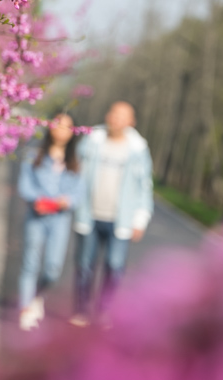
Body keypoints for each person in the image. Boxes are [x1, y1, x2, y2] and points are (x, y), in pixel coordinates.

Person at [71, 101, 153, 324]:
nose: (116, 118)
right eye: (113, 113)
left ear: (131, 122)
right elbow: (74, 168)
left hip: (121, 219)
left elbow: (144, 185)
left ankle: (104, 310)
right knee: (84, 265)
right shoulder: (92, 140)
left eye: (122, 116)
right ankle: (81, 310)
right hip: (89, 214)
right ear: (108, 116)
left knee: (114, 267)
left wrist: (140, 219)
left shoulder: (138, 149)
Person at [17, 112, 81, 331]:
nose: (61, 130)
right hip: (37, 216)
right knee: (30, 263)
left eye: (67, 126)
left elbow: (80, 193)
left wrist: (67, 201)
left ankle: (37, 296)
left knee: (53, 268)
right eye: (57, 124)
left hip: (60, 219)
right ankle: (25, 308)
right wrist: (38, 200)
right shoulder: (33, 153)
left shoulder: (76, 161)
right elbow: (24, 186)